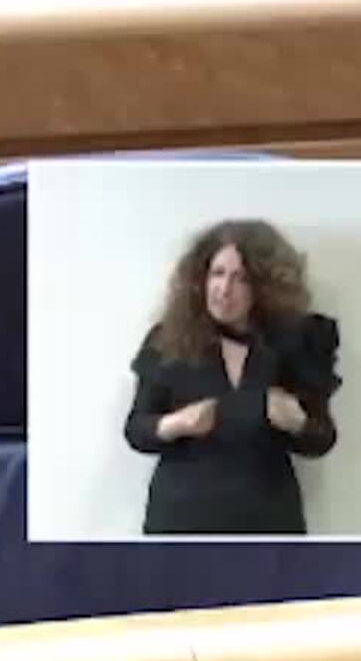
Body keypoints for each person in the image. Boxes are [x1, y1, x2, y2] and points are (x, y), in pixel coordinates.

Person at [125, 219, 341, 535]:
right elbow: (136, 429)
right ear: (200, 278)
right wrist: (176, 424)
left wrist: (298, 422)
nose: (224, 290)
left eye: (241, 279)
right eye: (217, 274)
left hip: (269, 520)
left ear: (265, 287)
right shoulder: (167, 340)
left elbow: (322, 438)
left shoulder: (297, 342)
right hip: (181, 519)